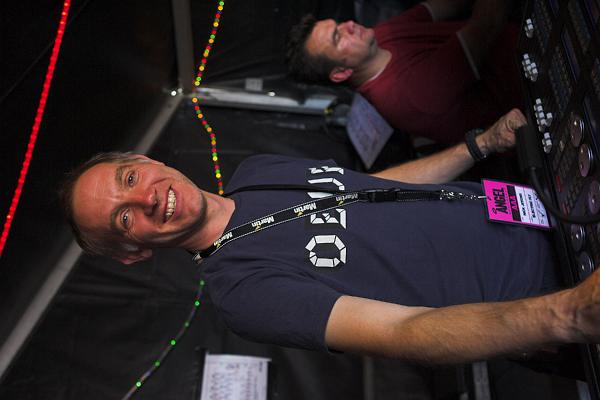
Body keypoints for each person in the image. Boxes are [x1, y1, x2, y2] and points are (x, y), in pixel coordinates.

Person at [60, 109, 600, 365]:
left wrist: (478, 146)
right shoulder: (240, 293)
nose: (145, 198)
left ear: (144, 161)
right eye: (123, 220)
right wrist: (566, 315)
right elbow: (405, 333)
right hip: (556, 289)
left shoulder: (255, 171)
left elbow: (372, 190)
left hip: (547, 209)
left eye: (128, 179)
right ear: (134, 252)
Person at [286, 0, 523, 144]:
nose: (348, 24)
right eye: (338, 37)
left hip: (518, 37)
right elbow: (487, 25)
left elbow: (445, 6)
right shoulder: (407, 95)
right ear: (341, 73)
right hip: (527, 82)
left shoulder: (375, 39)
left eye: (338, 24)